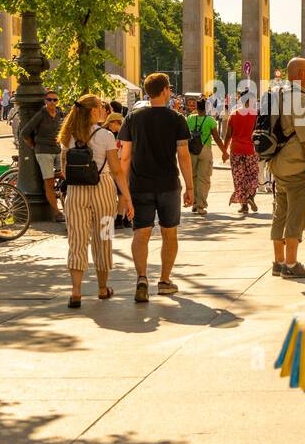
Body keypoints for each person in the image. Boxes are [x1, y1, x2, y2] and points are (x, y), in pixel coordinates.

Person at [118, 72, 193, 303]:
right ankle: (164, 281)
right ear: (164, 91)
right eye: (169, 88)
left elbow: (125, 157)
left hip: (140, 185)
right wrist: (190, 187)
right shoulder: (176, 118)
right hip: (169, 185)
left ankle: (141, 278)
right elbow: (183, 154)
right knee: (169, 234)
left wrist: (124, 192)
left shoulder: (133, 118)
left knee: (141, 233)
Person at [59, 94, 133, 308]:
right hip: (103, 189)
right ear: (92, 111)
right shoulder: (106, 136)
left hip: (75, 192)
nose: (103, 110)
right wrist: (127, 198)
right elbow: (117, 170)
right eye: (101, 107)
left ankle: (76, 292)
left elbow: (64, 170)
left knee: (77, 240)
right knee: (104, 237)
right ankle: (102, 288)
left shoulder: (68, 135)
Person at [268, 58, 305, 278]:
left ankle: (279, 262)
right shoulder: (300, 99)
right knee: (296, 214)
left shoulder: (276, 96)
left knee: (280, 212)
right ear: (300, 74)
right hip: (298, 166)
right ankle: (291, 265)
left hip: (278, 165)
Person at [19, 89, 64, 222]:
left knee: (63, 175)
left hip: (57, 150)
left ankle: (64, 204)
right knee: (48, 182)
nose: (52, 102)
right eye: (49, 100)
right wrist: (34, 146)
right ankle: (57, 213)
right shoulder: (41, 114)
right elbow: (25, 132)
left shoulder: (59, 114)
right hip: (44, 151)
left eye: (54, 100)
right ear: (45, 101)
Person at [222, 82, 259, 214]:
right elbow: (257, 132)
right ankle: (250, 196)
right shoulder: (255, 114)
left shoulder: (234, 114)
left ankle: (244, 206)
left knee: (239, 178)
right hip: (250, 149)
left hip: (236, 150)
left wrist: (224, 151)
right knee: (253, 175)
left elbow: (228, 135)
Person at [186, 98, 224, 215]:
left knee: (193, 178)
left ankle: (194, 203)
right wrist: (224, 151)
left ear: (196, 107)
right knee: (204, 179)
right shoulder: (210, 120)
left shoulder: (190, 118)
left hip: (192, 151)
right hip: (205, 150)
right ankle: (201, 206)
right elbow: (217, 138)